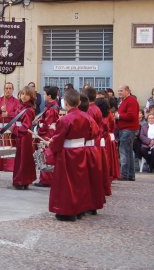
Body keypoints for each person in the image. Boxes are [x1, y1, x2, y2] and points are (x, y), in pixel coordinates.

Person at [47, 89, 98, 221]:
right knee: (80, 182)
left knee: (66, 183)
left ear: (65, 103)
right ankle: (80, 209)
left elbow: (58, 139)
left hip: (67, 154)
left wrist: (51, 145)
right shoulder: (87, 117)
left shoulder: (64, 119)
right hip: (81, 151)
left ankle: (66, 211)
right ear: (79, 102)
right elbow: (93, 133)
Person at [10, 86, 37, 190]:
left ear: (31, 96)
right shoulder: (20, 107)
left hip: (24, 136)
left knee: (23, 159)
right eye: (22, 94)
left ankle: (21, 181)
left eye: (27, 94)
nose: (24, 96)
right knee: (21, 159)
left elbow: (26, 126)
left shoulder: (29, 110)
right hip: (20, 135)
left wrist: (15, 130)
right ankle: (22, 180)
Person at [0, 82, 19, 172]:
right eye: (6, 88)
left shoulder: (16, 101)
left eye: (10, 88)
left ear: (13, 89)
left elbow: (18, 113)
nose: (8, 90)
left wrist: (8, 114)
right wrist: (0, 110)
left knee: (9, 146)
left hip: (10, 126)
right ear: (4, 89)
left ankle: (9, 166)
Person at [35, 86, 60, 187]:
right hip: (48, 133)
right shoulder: (51, 106)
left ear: (49, 96)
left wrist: (39, 130)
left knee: (46, 156)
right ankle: (45, 178)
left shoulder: (51, 109)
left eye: (45, 94)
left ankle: (46, 179)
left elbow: (47, 124)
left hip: (47, 135)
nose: (44, 95)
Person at [115, 85, 140, 181]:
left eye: (121, 90)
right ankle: (130, 175)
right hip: (126, 129)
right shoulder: (125, 101)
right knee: (128, 152)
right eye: (118, 91)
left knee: (124, 152)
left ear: (127, 91)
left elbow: (131, 116)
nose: (119, 92)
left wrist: (119, 116)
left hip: (128, 129)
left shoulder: (131, 101)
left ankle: (124, 174)